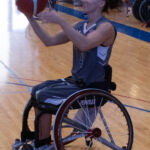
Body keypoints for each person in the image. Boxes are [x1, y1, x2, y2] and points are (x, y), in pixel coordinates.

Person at [25, 0, 120, 149]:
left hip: (93, 88)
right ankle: (42, 141)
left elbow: (84, 44)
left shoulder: (106, 28)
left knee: (44, 96)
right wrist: (30, 17)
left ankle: (42, 144)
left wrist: (61, 20)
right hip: (76, 83)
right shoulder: (80, 26)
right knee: (37, 90)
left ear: (101, 3)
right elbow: (49, 41)